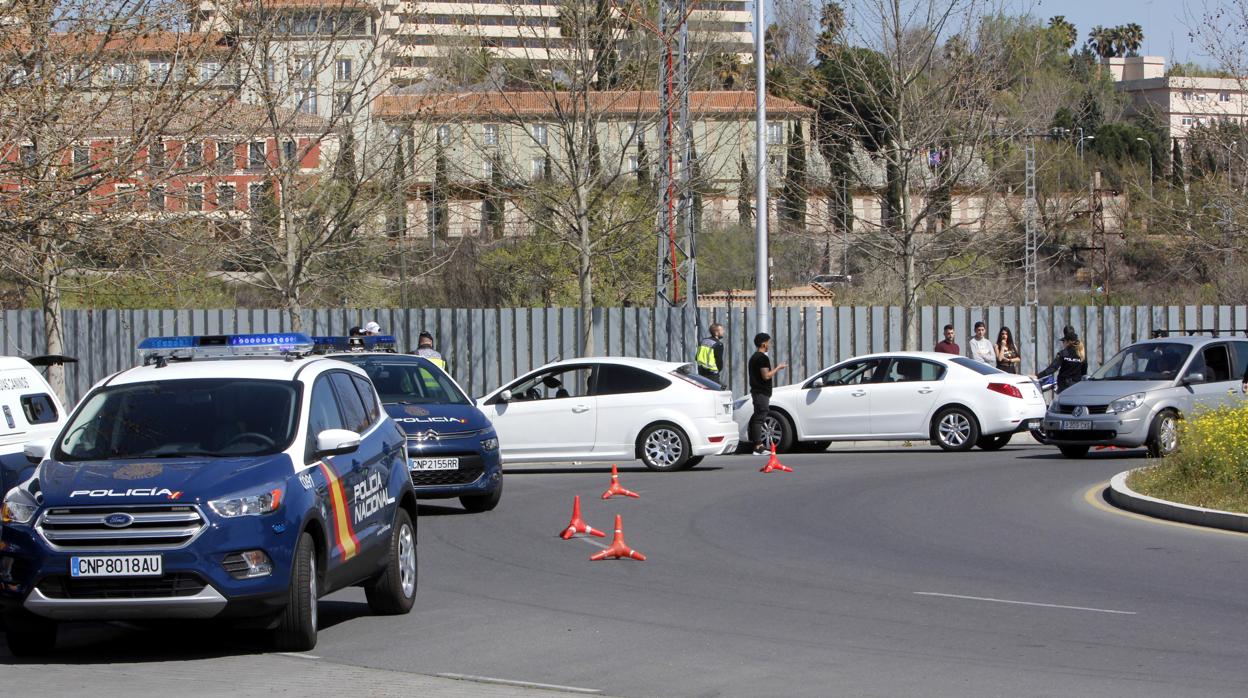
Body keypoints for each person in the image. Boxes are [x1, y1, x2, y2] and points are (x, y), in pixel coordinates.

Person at [747, 332, 787, 455]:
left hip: (758, 392)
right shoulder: (762, 358)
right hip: (761, 393)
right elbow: (766, 376)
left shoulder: (754, 357)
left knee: (759, 416)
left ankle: (758, 446)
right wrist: (778, 368)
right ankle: (758, 447)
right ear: (764, 344)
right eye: (769, 342)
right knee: (760, 418)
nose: (770, 345)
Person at [1034, 325, 1087, 393]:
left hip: (1064, 387)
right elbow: (1083, 373)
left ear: (1067, 342)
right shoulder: (1081, 354)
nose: (1063, 344)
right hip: (1077, 388)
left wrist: (1037, 376)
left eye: (1063, 341)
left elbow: (1052, 368)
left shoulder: (1063, 353)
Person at [695, 323, 726, 387]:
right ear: (716, 333)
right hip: (712, 374)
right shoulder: (718, 344)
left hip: (701, 371)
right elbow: (719, 361)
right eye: (722, 330)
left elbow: (697, 356)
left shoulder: (703, 341)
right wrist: (718, 369)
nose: (723, 332)